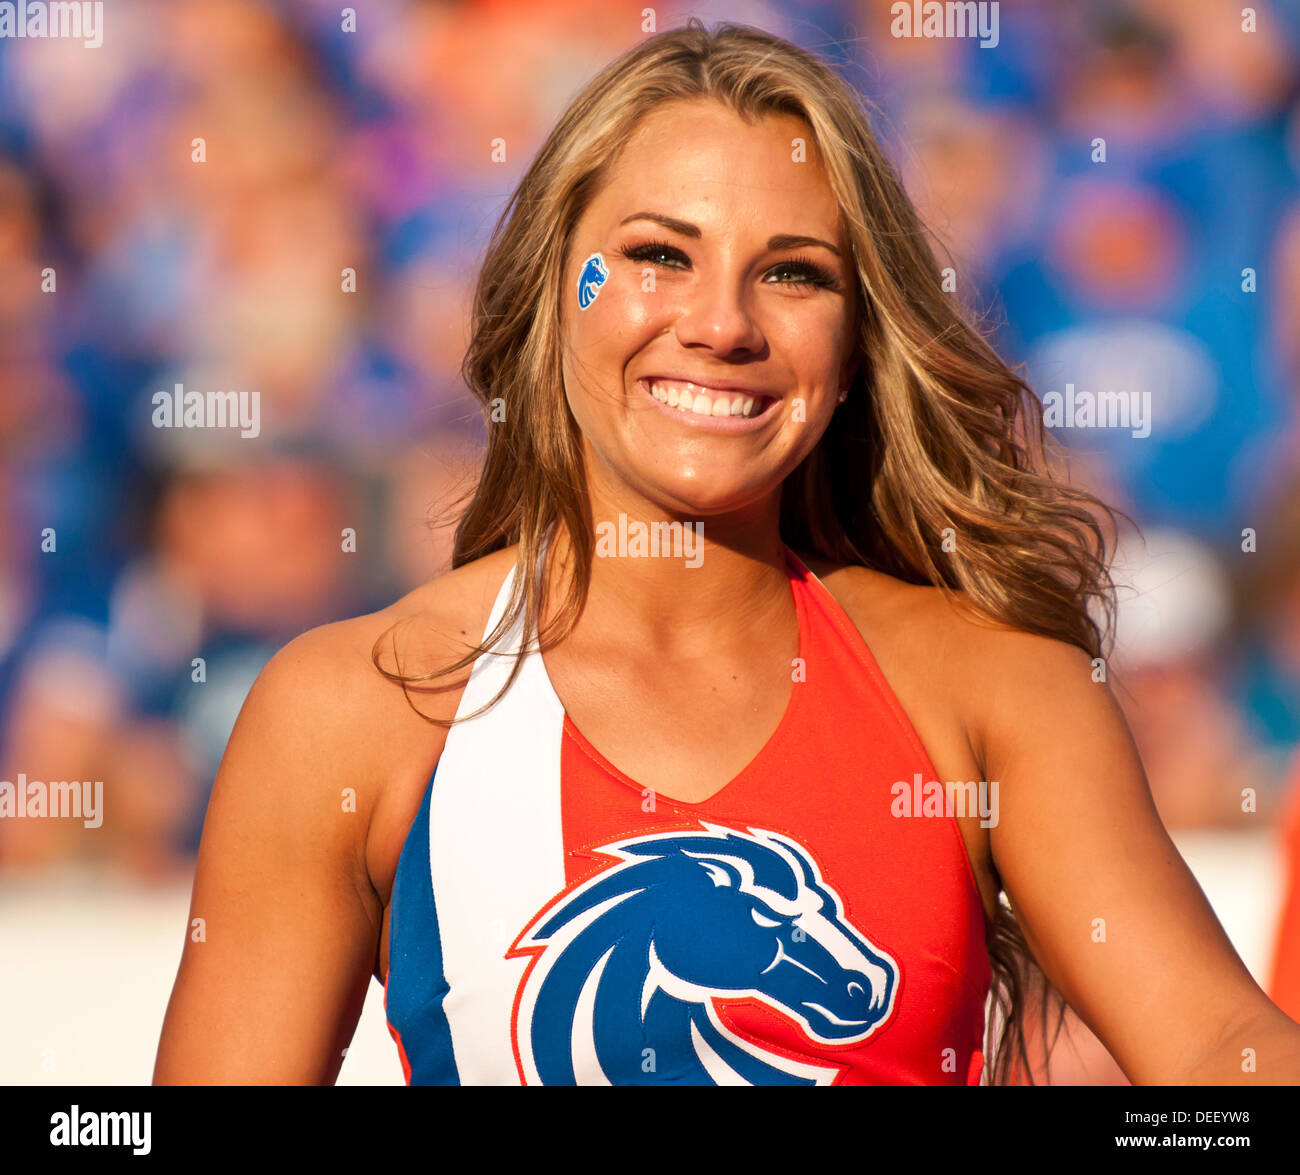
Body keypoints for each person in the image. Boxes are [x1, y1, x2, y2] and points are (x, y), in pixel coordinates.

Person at [153, 20, 1300, 1085]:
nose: (723, 323)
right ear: (554, 296)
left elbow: (1216, 1053)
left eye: (794, 272)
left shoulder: (995, 690)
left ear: (855, 346)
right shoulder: (350, 711)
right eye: (658, 254)